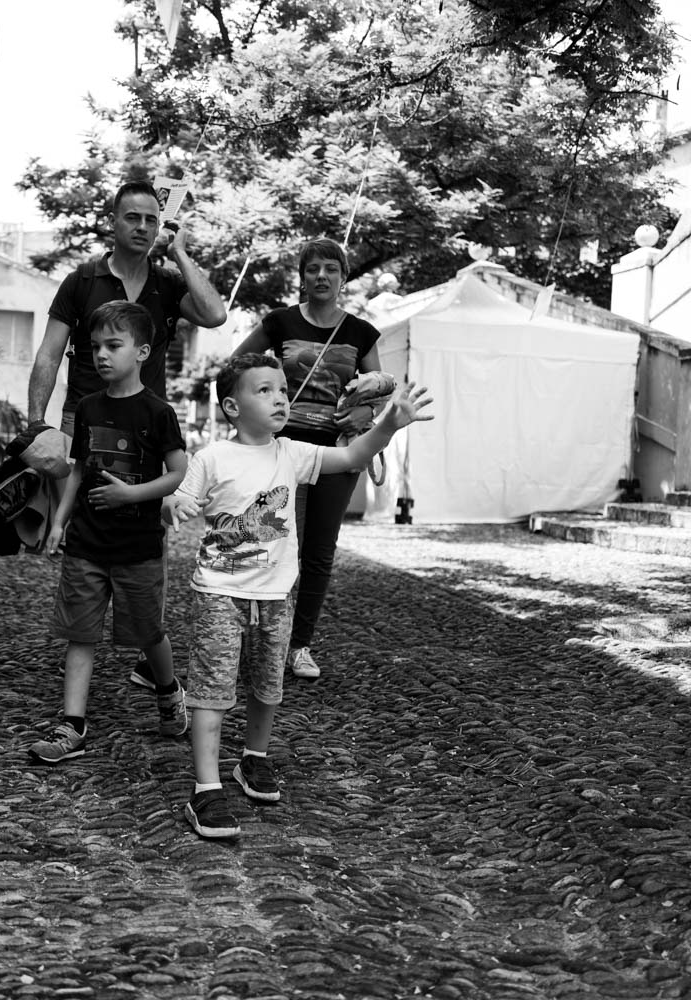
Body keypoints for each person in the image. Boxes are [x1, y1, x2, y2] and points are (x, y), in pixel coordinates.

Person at [164, 354, 433, 839]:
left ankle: (254, 758)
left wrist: (389, 425)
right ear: (232, 406)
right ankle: (206, 787)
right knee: (211, 689)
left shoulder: (292, 453)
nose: (280, 399)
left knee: (268, 684)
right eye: (264, 390)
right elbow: (180, 497)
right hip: (219, 593)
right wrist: (176, 505)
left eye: (283, 390)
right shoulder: (212, 458)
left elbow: (350, 458)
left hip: (276, 595)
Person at [26, 178, 228, 692]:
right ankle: (83, 640)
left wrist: (179, 254)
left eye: (151, 220)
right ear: (113, 222)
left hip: (146, 430)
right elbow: (49, 354)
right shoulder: (81, 281)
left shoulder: (167, 284)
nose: (142, 227)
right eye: (132, 217)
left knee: (145, 534)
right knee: (84, 534)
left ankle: (147, 644)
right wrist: (36, 424)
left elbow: (215, 314)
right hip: (83, 421)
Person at [29, 301, 191, 765]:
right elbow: (79, 470)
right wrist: (59, 521)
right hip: (87, 542)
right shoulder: (87, 407)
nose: (101, 354)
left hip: (138, 547)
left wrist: (131, 495)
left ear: (142, 352)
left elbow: (178, 472)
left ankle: (168, 689)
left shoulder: (158, 412)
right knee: (80, 633)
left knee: (148, 632)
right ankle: (72, 725)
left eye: (113, 345)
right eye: (95, 346)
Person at [230, 237, 384, 679]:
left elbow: (380, 388)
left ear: (344, 277)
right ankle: (263, 638)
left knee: (319, 552)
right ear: (301, 277)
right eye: (313, 268)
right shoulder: (279, 322)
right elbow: (235, 367)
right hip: (282, 450)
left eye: (331, 269)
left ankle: (299, 645)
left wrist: (367, 411)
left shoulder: (361, 332)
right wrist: (264, 400)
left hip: (336, 452)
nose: (321, 276)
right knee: (272, 544)